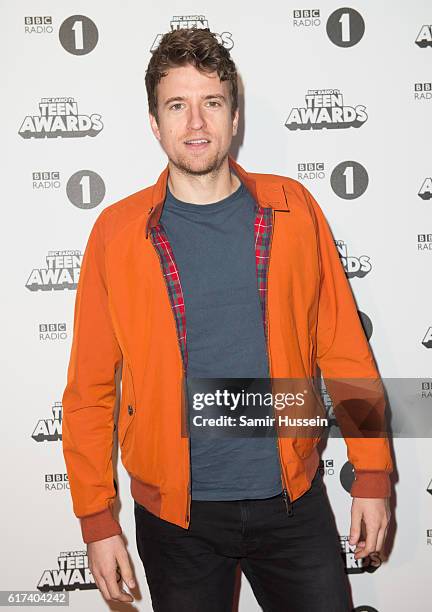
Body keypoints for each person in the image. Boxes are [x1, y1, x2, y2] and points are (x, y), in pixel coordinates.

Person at [62, 28, 393, 611]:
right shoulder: (116, 234)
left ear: (234, 116)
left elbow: (344, 351)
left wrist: (371, 474)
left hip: (292, 504)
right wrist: (96, 518)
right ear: (154, 122)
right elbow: (90, 389)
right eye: (177, 105)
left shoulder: (294, 211)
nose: (195, 123)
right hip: (175, 521)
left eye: (211, 103)